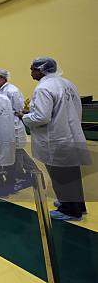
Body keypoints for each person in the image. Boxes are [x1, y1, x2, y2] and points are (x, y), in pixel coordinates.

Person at [19, 57, 90, 220]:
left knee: (60, 175)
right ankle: (77, 204)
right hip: (71, 135)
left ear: (41, 70)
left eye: (32, 69)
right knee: (72, 173)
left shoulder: (43, 88)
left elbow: (41, 117)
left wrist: (25, 116)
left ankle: (70, 210)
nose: (31, 73)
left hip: (56, 139)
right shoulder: (67, 83)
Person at [0, 68, 36, 181]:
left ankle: (31, 172)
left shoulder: (12, 91)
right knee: (15, 151)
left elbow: (18, 110)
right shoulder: (0, 90)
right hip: (6, 125)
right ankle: (22, 172)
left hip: (13, 125)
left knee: (17, 151)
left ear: (2, 78)